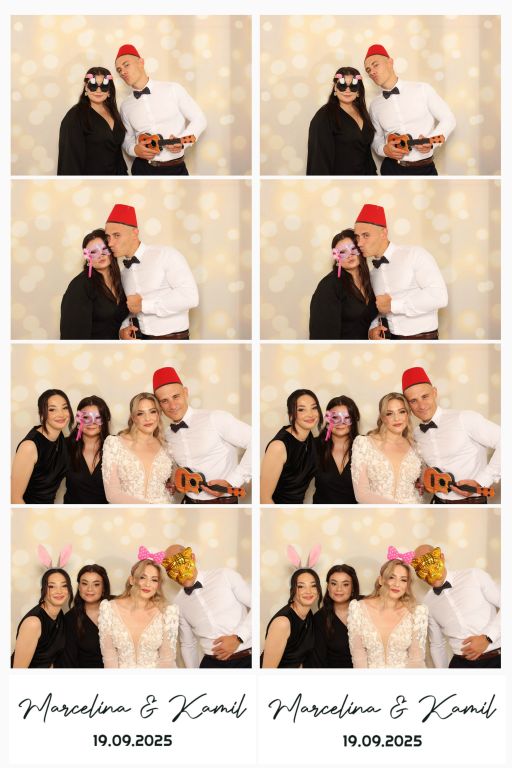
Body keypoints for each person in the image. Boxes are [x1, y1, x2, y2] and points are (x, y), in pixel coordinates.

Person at [153, 366, 251, 504]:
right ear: (159, 405)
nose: (172, 405)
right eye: (164, 401)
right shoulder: (167, 435)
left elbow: (255, 440)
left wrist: (232, 481)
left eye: (176, 396)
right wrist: (175, 483)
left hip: (222, 504)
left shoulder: (215, 418)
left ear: (185, 392)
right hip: (188, 503)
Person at [402, 366, 501, 504]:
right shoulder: (416, 434)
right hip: (437, 503)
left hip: (471, 504)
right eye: (413, 401)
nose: (422, 405)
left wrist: (482, 481)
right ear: (408, 405)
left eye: (425, 396)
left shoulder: (465, 418)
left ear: (434, 392)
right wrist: (423, 482)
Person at [354, 204, 448, 340]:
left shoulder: (415, 255)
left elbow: (439, 296)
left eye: (366, 235)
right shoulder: (373, 274)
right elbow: (379, 308)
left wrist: (394, 305)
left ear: (383, 233)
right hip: (391, 343)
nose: (359, 243)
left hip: (423, 341)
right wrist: (372, 330)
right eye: (357, 237)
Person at [105, 204, 198, 340]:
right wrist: (122, 331)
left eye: (117, 235)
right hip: (142, 342)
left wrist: (144, 305)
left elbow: (190, 296)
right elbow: (132, 308)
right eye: (108, 237)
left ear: (134, 233)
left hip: (174, 341)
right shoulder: (124, 273)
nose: (110, 243)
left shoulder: (166, 255)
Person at [115, 43, 207, 176]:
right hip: (142, 170)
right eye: (119, 70)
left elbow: (200, 119)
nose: (122, 72)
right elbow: (126, 139)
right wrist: (135, 150)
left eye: (126, 65)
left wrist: (183, 142)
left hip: (176, 169)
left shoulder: (173, 89)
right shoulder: (125, 106)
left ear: (141, 62)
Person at [364, 44, 456, 176]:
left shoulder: (422, 89)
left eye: (375, 65)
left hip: (425, 169)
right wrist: (384, 150)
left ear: (390, 62)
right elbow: (375, 138)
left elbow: (449, 119)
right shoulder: (374, 105)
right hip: (391, 170)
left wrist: (431, 142)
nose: (372, 72)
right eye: (368, 70)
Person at [163, 545, 252, 668]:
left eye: (180, 562)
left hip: (246, 660)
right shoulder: (178, 602)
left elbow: (256, 606)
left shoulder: (225, 575)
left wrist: (239, 637)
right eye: (171, 568)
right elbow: (188, 644)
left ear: (192, 557)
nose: (179, 571)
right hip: (210, 664)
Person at [412, 545, 500, 668]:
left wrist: (488, 638)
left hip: (496, 659)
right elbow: (437, 644)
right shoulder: (428, 602)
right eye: (421, 568)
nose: (429, 571)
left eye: (430, 561)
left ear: (441, 557)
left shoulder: (474, 576)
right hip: (459, 664)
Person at [98, 553, 179, 668]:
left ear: (158, 585)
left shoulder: (168, 613)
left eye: (154, 580)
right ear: (131, 580)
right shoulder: (109, 609)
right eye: (142, 577)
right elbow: (109, 658)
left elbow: (167, 660)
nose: (148, 584)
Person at [347, 553, 428, 668]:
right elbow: (358, 656)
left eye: (403, 580)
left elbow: (416, 660)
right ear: (381, 580)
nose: (397, 584)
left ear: (407, 585)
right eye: (391, 577)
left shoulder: (417, 613)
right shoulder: (358, 609)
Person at [101, 393, 174, 504]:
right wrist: (150, 509)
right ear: (133, 417)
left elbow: (173, 483)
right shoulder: (114, 444)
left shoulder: (166, 447)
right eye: (140, 413)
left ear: (158, 414)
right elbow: (112, 494)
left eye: (152, 411)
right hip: (129, 513)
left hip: (164, 511)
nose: (148, 418)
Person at [351, 392, 423, 504]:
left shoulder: (416, 447)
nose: (397, 418)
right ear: (382, 417)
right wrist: (399, 508)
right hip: (379, 513)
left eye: (402, 411)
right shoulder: (364, 444)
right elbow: (361, 495)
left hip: (413, 511)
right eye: (389, 413)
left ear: (408, 414)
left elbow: (422, 484)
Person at [306, 66, 377, 176]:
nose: (347, 90)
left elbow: (366, 154)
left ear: (358, 90)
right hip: (338, 182)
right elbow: (318, 160)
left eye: (353, 86)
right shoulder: (324, 116)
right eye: (342, 86)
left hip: (365, 181)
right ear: (335, 87)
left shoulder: (363, 113)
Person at [57, 66, 127, 176]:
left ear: (109, 90)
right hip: (89, 182)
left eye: (104, 87)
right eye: (93, 86)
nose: (98, 91)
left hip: (115, 181)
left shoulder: (114, 113)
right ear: (86, 87)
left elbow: (117, 154)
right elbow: (69, 160)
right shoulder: (75, 116)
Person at [60, 229, 129, 340]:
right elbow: (72, 335)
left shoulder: (121, 280)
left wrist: (122, 332)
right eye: (93, 252)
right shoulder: (80, 286)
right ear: (87, 258)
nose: (100, 255)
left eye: (104, 249)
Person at [309, 229, 378, 340]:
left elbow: (362, 322)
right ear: (336, 257)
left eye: (353, 249)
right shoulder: (329, 286)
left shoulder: (370, 280)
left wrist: (371, 333)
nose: (349, 255)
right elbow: (322, 337)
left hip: (365, 349)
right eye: (342, 252)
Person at [261, 389, 321, 504]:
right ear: (291, 414)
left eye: (314, 408)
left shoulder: (309, 438)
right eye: (301, 409)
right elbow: (264, 498)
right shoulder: (279, 446)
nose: (310, 414)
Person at [11, 389, 72, 504]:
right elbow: (14, 498)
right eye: (52, 409)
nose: (61, 414)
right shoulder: (29, 446)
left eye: (65, 408)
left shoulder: (60, 438)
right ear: (42, 413)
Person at [12, 567, 73, 668]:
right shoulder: (33, 623)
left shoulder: (59, 615)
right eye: (52, 586)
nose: (59, 591)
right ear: (43, 589)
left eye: (64, 585)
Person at [261, 568, 321, 668]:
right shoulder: (282, 623)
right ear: (293, 590)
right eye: (301, 586)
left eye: (313, 585)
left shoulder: (308, 614)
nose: (308, 591)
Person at [57, 564, 111, 668]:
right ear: (79, 587)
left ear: (104, 588)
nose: (89, 589)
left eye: (96, 584)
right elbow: (68, 662)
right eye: (84, 583)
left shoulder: (117, 606)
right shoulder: (70, 619)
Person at [309, 564, 360, 668]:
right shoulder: (319, 619)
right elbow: (318, 662)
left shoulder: (366, 606)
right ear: (328, 587)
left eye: (345, 584)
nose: (339, 589)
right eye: (334, 584)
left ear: (353, 587)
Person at [64, 396, 111, 504]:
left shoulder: (115, 446)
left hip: (106, 513)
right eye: (86, 417)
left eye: (97, 417)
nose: (91, 422)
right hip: (71, 513)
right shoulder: (65, 446)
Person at [313, 396, 359, 504]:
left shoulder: (365, 446)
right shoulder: (314, 446)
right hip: (320, 513)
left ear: (354, 419)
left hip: (356, 513)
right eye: (335, 417)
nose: (340, 422)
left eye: (347, 418)